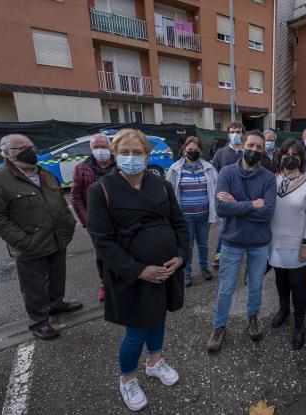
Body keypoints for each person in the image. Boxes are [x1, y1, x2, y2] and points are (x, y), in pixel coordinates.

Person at [86, 129, 190, 411]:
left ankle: (155, 362)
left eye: (137, 152)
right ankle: (127, 378)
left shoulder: (162, 185)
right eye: (125, 152)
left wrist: (181, 257)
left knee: (158, 319)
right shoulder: (101, 190)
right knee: (137, 330)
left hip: (167, 270)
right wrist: (138, 270)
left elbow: (179, 223)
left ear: (147, 154)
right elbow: (102, 241)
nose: (132, 158)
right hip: (131, 275)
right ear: (115, 154)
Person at [0, 134, 81, 340]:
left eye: (31, 146)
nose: (30, 150)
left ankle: (56, 304)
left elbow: (61, 203)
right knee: (33, 286)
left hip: (57, 238)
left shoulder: (45, 174)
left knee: (57, 277)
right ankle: (39, 322)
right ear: (7, 153)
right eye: (22, 148)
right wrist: (22, 241)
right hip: (29, 245)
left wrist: (68, 225)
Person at [207, 131, 276, 352]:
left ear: (263, 150)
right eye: (251, 145)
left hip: (259, 242)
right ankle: (219, 327)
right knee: (226, 288)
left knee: (255, 285)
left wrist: (236, 204)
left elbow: (267, 212)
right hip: (232, 242)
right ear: (242, 146)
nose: (254, 150)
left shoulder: (268, 177)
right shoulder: (227, 173)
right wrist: (249, 204)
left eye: (259, 147)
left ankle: (253, 318)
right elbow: (221, 208)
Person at [269, 139, 306, 350]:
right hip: (275, 243)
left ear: (301, 159)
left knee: (298, 285)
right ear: (280, 157)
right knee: (280, 280)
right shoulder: (272, 180)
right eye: (286, 154)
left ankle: (299, 324)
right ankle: (284, 309)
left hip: (299, 245)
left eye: (295, 155)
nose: (290, 158)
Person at [166, 136, 218, 287]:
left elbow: (215, 188)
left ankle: (204, 268)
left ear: (200, 150)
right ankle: (186, 272)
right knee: (187, 246)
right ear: (183, 151)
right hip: (185, 217)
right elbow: (170, 193)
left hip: (204, 215)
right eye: (189, 149)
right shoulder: (175, 169)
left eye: (196, 149)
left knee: (203, 244)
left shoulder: (208, 167)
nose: (193, 152)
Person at [71, 133, 116, 301]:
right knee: (102, 255)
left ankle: (123, 280)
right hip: (97, 222)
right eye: (96, 147)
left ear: (110, 147)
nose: (100, 150)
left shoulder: (120, 164)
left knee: (125, 249)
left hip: (121, 219)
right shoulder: (82, 168)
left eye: (103, 147)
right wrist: (87, 221)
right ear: (91, 149)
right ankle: (105, 284)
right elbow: (76, 197)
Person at [211, 122, 246, 267]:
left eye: (238, 131)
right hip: (226, 197)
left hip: (244, 196)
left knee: (245, 225)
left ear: (243, 133)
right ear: (228, 134)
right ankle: (218, 256)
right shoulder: (221, 153)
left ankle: (241, 255)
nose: (235, 134)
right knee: (225, 228)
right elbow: (214, 175)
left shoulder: (246, 151)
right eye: (232, 131)